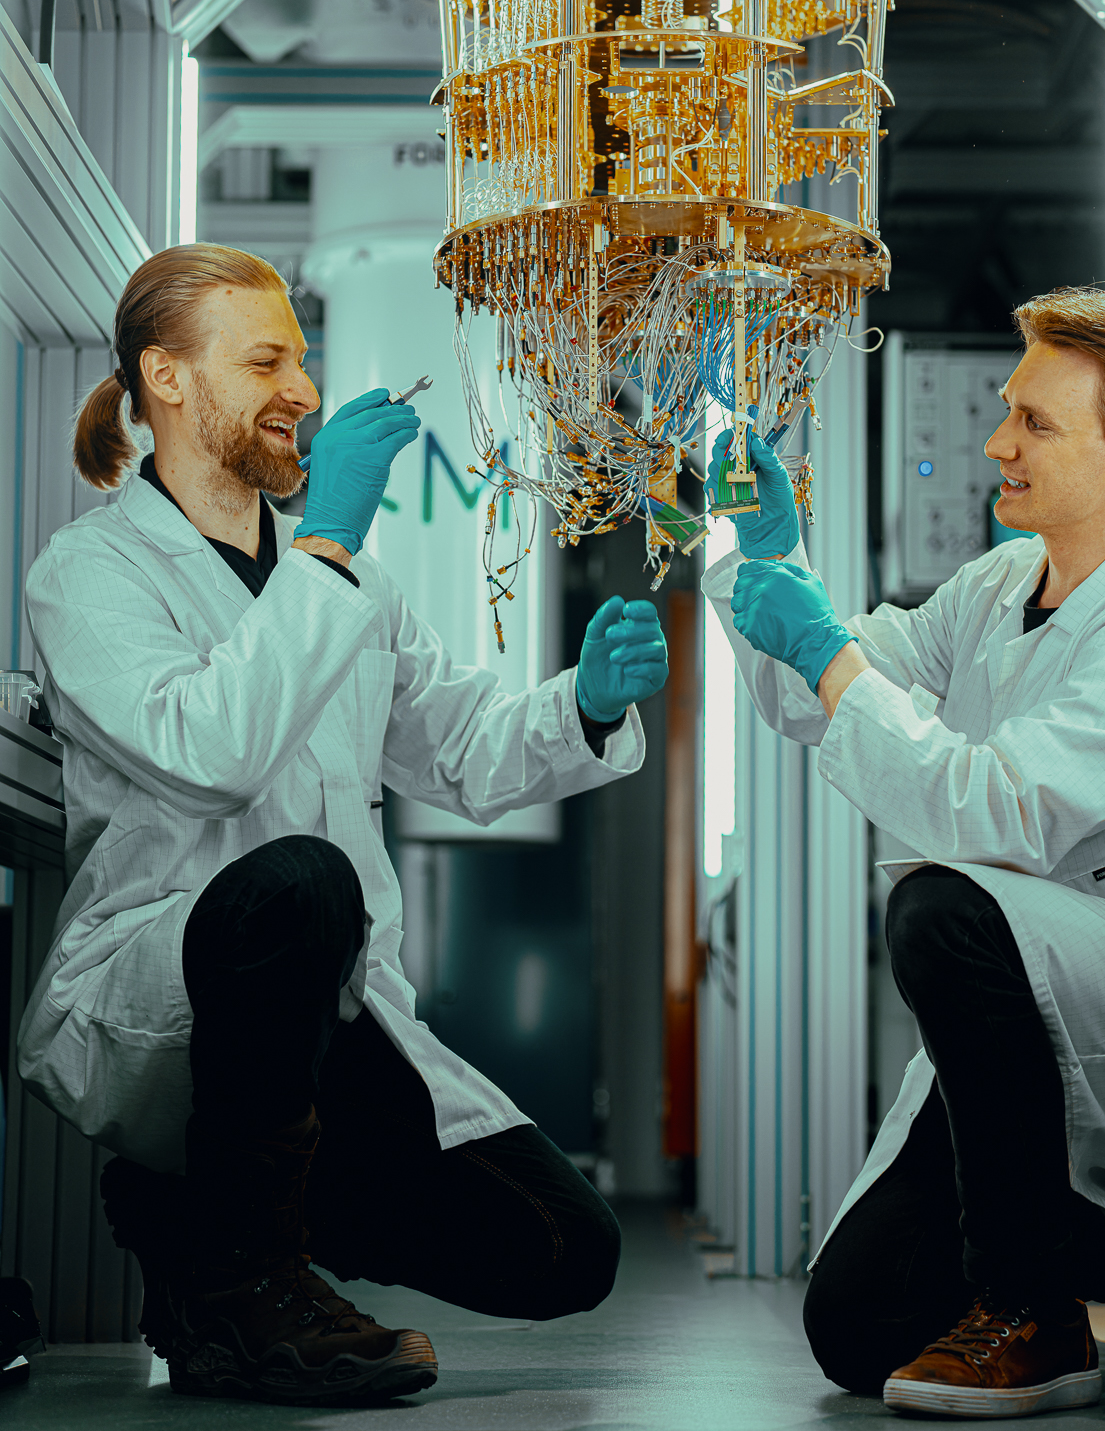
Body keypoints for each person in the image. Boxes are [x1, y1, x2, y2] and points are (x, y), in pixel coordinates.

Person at [18, 244, 669, 1408]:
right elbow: (208, 753)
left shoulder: (351, 586)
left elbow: (462, 748)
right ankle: (254, 1287)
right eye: (265, 359)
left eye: (303, 359)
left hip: (328, 1017)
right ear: (166, 378)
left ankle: (196, 1226)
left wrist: (587, 699)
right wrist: (325, 541)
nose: (305, 390)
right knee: (303, 884)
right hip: (163, 991)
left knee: (567, 1247)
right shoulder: (91, 573)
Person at [704, 287, 1105, 1419]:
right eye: (1006, 410)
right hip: (1034, 1001)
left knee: (940, 903)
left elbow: (999, 810)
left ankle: (1039, 1321)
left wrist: (833, 657)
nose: (996, 441)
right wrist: (764, 549)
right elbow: (822, 695)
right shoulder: (997, 584)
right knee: (857, 1328)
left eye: (1034, 421)